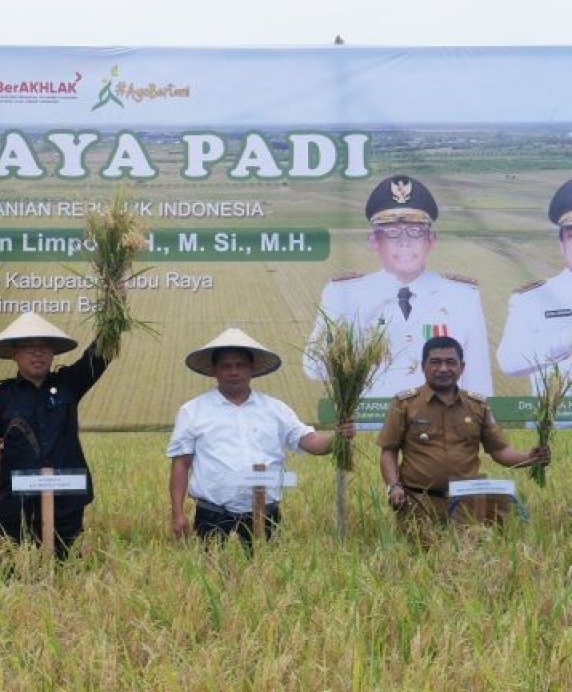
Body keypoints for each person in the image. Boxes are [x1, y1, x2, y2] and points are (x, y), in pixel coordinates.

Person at [304, 174, 492, 397]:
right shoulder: (343, 294)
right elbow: (313, 368)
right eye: (392, 232)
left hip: (440, 424)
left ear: (430, 239)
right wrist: (359, 318)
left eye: (415, 231)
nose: (404, 241)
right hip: (368, 427)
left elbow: (478, 380)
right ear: (374, 241)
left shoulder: (461, 296)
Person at [168, 328, 353, 547]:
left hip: (265, 511)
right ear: (214, 371)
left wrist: (338, 438)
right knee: (213, 574)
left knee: (267, 575)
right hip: (213, 514)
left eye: (240, 365)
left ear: (252, 369)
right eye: (226, 366)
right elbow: (181, 464)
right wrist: (177, 513)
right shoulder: (193, 411)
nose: (233, 372)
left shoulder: (275, 409)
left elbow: (310, 442)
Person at [0, 312, 108, 560]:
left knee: (66, 569)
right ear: (14, 354)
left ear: (53, 353)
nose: (37, 354)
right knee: (12, 570)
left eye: (44, 347)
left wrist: (115, 306)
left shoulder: (68, 383)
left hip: (66, 499)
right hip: (16, 503)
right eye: (29, 348)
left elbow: (100, 354)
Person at [379, 336, 549, 537]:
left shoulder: (477, 406)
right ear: (423, 366)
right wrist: (394, 486)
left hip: (467, 505)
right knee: (418, 562)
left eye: (451, 362)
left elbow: (500, 452)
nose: (443, 368)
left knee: (467, 560)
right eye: (435, 362)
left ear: (462, 367)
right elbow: (388, 451)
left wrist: (531, 457)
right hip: (419, 504)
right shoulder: (404, 404)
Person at [497, 180, 572, 393]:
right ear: (562, 245)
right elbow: (509, 362)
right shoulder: (532, 299)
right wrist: (567, 339)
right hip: (557, 422)